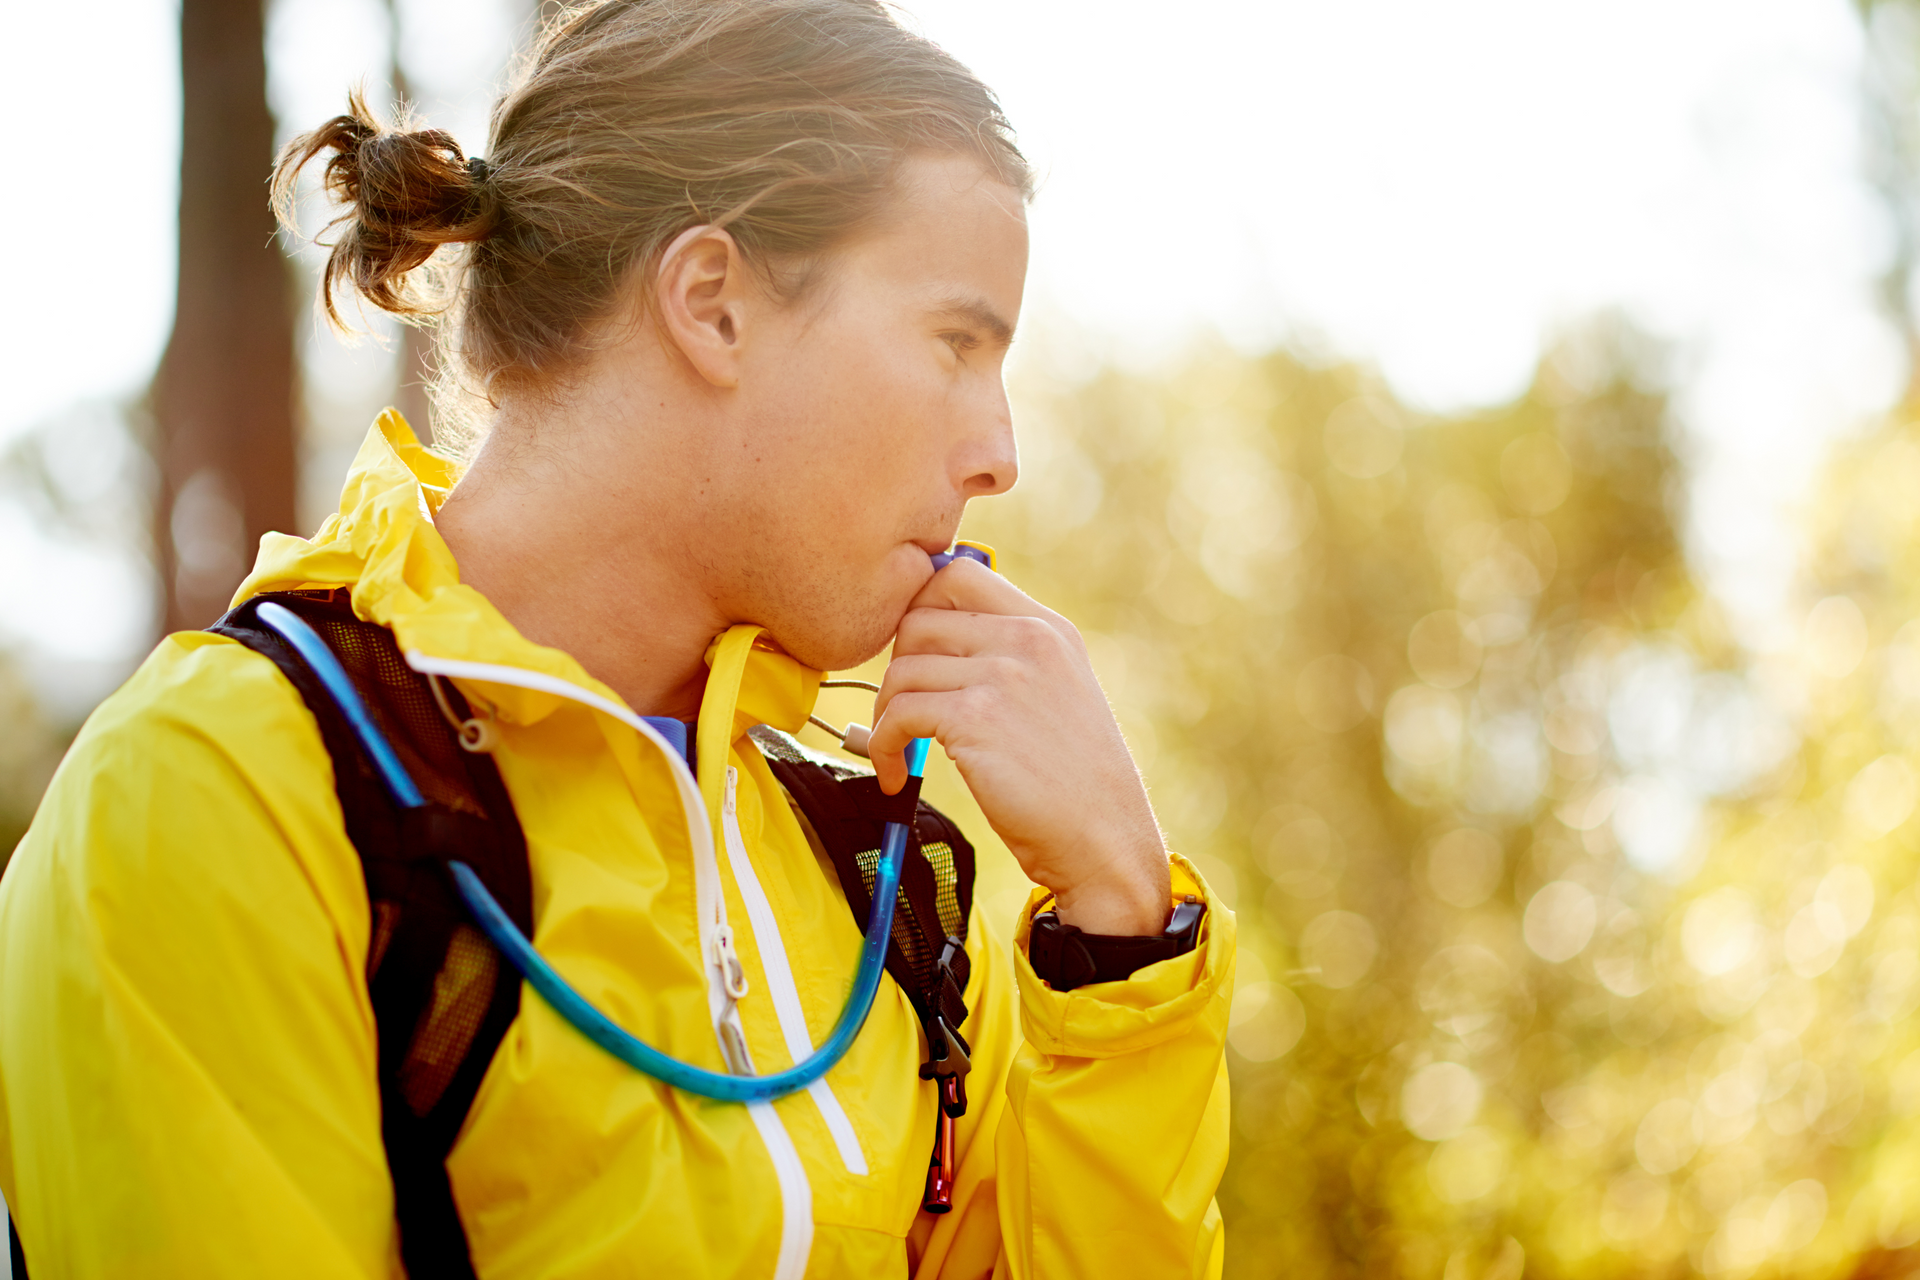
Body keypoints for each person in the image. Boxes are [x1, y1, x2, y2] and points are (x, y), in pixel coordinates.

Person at [0, 1, 1234, 1275]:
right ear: (712, 303)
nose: (1000, 454)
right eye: (955, 343)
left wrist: (1121, 933)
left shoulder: (879, 876)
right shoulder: (223, 792)